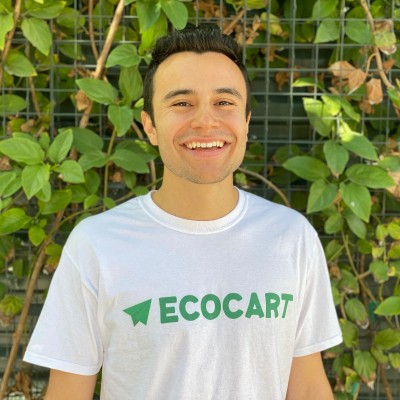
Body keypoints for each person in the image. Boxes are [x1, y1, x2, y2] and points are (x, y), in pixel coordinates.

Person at [23, 25, 342, 399]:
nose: (206, 121)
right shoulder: (96, 245)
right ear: (150, 126)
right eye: (181, 103)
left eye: (224, 102)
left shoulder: (291, 237)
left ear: (246, 122)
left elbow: (308, 388)